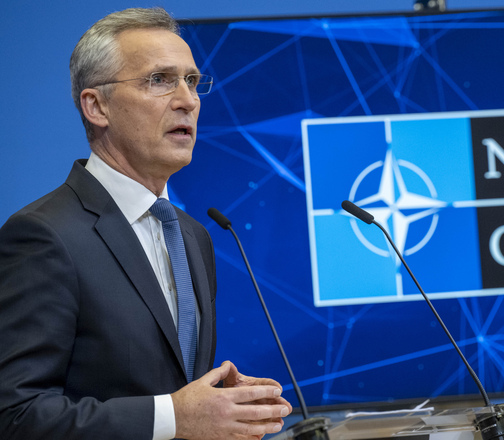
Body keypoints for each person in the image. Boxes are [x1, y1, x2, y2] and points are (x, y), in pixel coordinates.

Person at [0, 7, 292, 440]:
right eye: (160, 80)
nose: (188, 100)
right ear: (96, 106)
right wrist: (174, 416)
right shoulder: (44, 236)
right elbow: (14, 415)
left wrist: (218, 406)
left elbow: (162, 387)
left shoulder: (192, 235)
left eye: (192, 80)